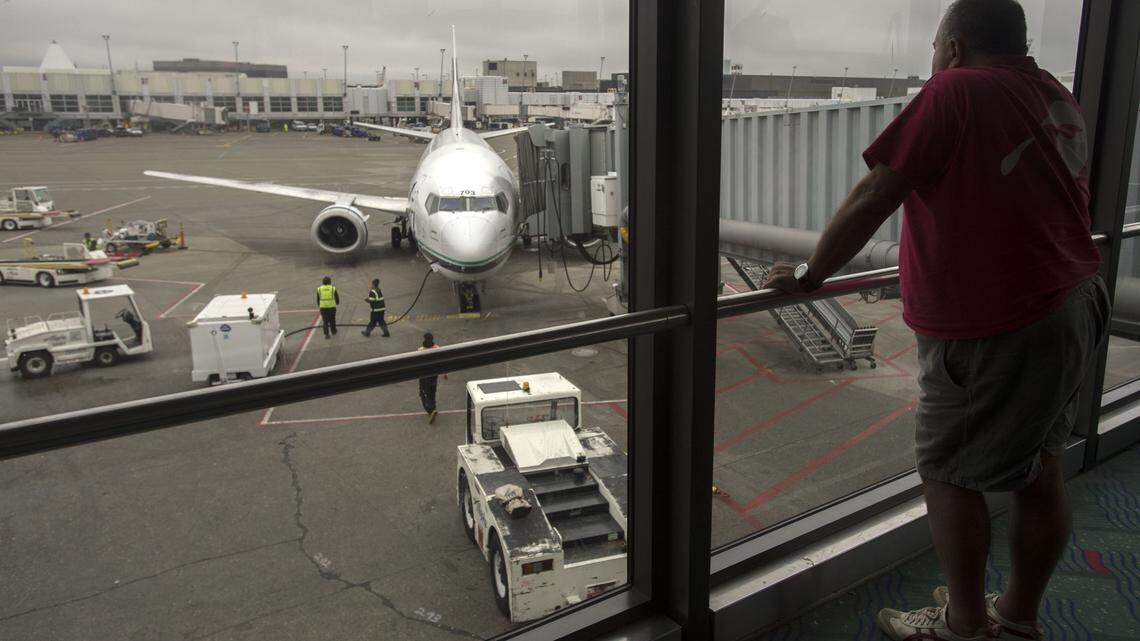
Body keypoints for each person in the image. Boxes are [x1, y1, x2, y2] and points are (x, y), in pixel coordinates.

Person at [762, 2, 1109, 640]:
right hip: (1074, 297)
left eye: (933, 48)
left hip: (1001, 322)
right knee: (1043, 465)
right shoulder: (1052, 94)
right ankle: (1019, 618)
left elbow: (875, 194)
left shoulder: (956, 90)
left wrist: (812, 277)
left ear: (951, 48)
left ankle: (964, 626)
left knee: (948, 474)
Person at [418, 332, 441, 424]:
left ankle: (430, 410)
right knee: (432, 391)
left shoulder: (421, 350)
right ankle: (434, 408)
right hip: (434, 375)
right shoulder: (437, 348)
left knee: (423, 393)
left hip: (424, 375)